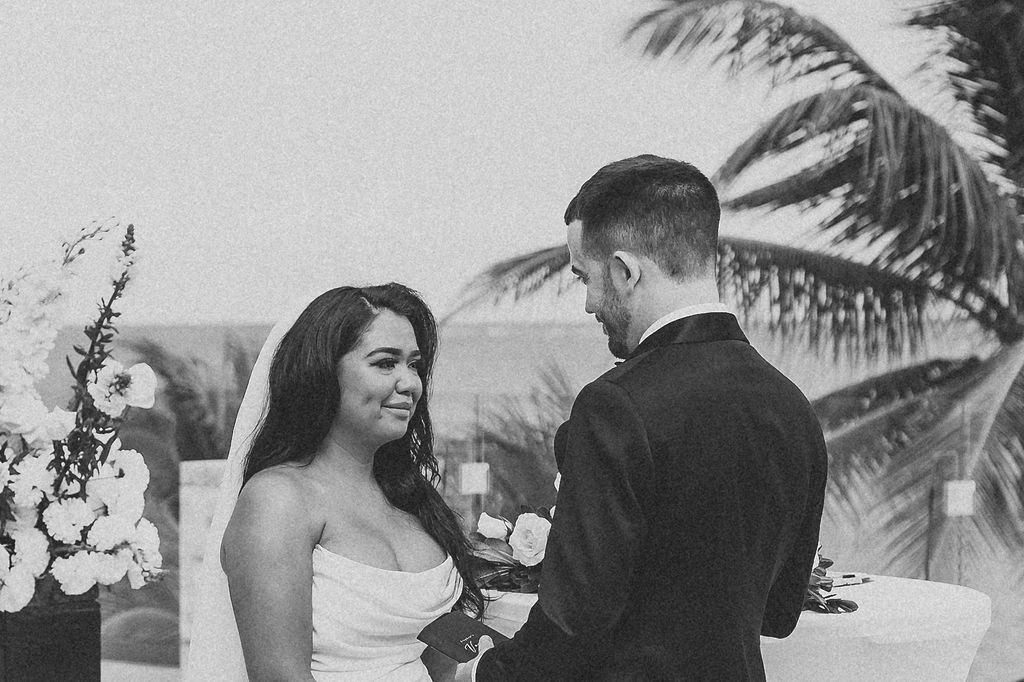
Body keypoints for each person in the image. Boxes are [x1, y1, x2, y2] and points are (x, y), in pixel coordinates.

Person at [461, 155, 828, 680]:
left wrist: (485, 672)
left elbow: (573, 626)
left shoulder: (615, 406)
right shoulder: (792, 407)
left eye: (584, 278)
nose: (588, 303)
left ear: (625, 271)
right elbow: (779, 611)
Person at [185, 283, 484, 682]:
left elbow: (439, 654)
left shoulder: (411, 498)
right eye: (385, 363)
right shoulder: (279, 500)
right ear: (322, 373)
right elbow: (280, 676)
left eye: (414, 364)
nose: (411, 383)